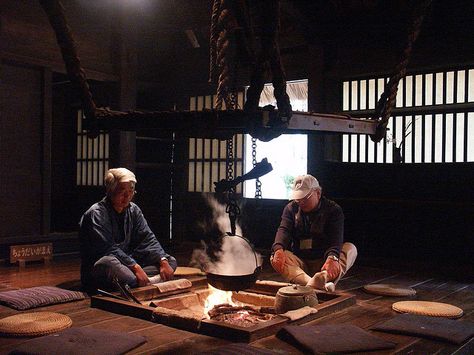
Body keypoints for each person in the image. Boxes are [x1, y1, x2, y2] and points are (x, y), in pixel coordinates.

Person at [79, 167, 177, 292]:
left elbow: (147, 237)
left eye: (131, 191)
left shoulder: (133, 210)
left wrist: (162, 261)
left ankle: (139, 281)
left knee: (169, 260)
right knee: (108, 263)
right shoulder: (96, 213)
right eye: (122, 192)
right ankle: (146, 280)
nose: (127, 196)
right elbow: (108, 248)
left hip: (127, 263)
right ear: (110, 191)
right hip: (101, 267)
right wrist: (135, 267)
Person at [270, 174, 357, 291]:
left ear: (318, 193)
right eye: (298, 199)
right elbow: (283, 230)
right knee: (276, 256)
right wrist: (278, 249)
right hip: (301, 265)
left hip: (324, 263)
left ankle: (323, 278)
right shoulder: (291, 208)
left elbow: (336, 239)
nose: (301, 202)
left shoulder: (333, 210)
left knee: (350, 249)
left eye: (305, 198)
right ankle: (312, 283)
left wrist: (333, 257)